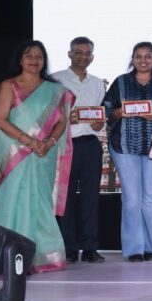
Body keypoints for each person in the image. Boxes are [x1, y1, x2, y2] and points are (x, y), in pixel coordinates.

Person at [0, 41, 73, 273]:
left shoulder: (55, 90)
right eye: (29, 55)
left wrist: (48, 142)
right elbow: (1, 120)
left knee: (39, 201)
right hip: (14, 151)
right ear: (20, 59)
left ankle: (41, 257)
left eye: (39, 56)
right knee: (11, 199)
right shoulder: (9, 86)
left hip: (44, 153)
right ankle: (6, 255)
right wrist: (30, 141)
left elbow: (61, 122)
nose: (34, 60)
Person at [102, 42, 152, 262]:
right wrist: (120, 112)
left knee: (150, 199)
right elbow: (105, 111)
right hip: (124, 147)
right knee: (132, 199)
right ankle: (134, 249)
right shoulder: (120, 82)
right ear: (132, 59)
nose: (143, 60)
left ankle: (150, 248)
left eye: (148, 56)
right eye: (138, 56)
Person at [51, 37, 107, 264]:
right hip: (65, 144)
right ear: (70, 54)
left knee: (90, 198)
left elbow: (99, 117)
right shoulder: (56, 80)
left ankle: (90, 247)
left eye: (87, 53)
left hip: (91, 144)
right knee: (65, 199)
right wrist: (65, 118)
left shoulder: (98, 83)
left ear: (92, 56)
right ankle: (69, 248)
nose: (83, 56)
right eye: (79, 52)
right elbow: (49, 114)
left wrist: (98, 123)